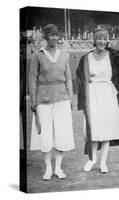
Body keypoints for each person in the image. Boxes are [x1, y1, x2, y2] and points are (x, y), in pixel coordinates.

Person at [76, 28, 119, 173]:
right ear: (94, 40)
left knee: (107, 129)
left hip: (108, 93)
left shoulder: (114, 55)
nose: (101, 41)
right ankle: (92, 159)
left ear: (107, 40)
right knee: (93, 128)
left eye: (104, 38)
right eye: (99, 38)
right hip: (92, 94)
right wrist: (83, 101)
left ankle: (103, 163)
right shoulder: (86, 58)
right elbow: (81, 79)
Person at [29, 24, 75, 180]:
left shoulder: (64, 55)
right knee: (46, 134)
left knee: (61, 133)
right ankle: (48, 169)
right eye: (51, 35)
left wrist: (70, 97)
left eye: (56, 35)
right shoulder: (38, 55)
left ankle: (58, 168)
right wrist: (33, 100)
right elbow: (32, 79)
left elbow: (68, 78)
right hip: (43, 99)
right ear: (45, 37)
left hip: (62, 98)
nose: (54, 38)